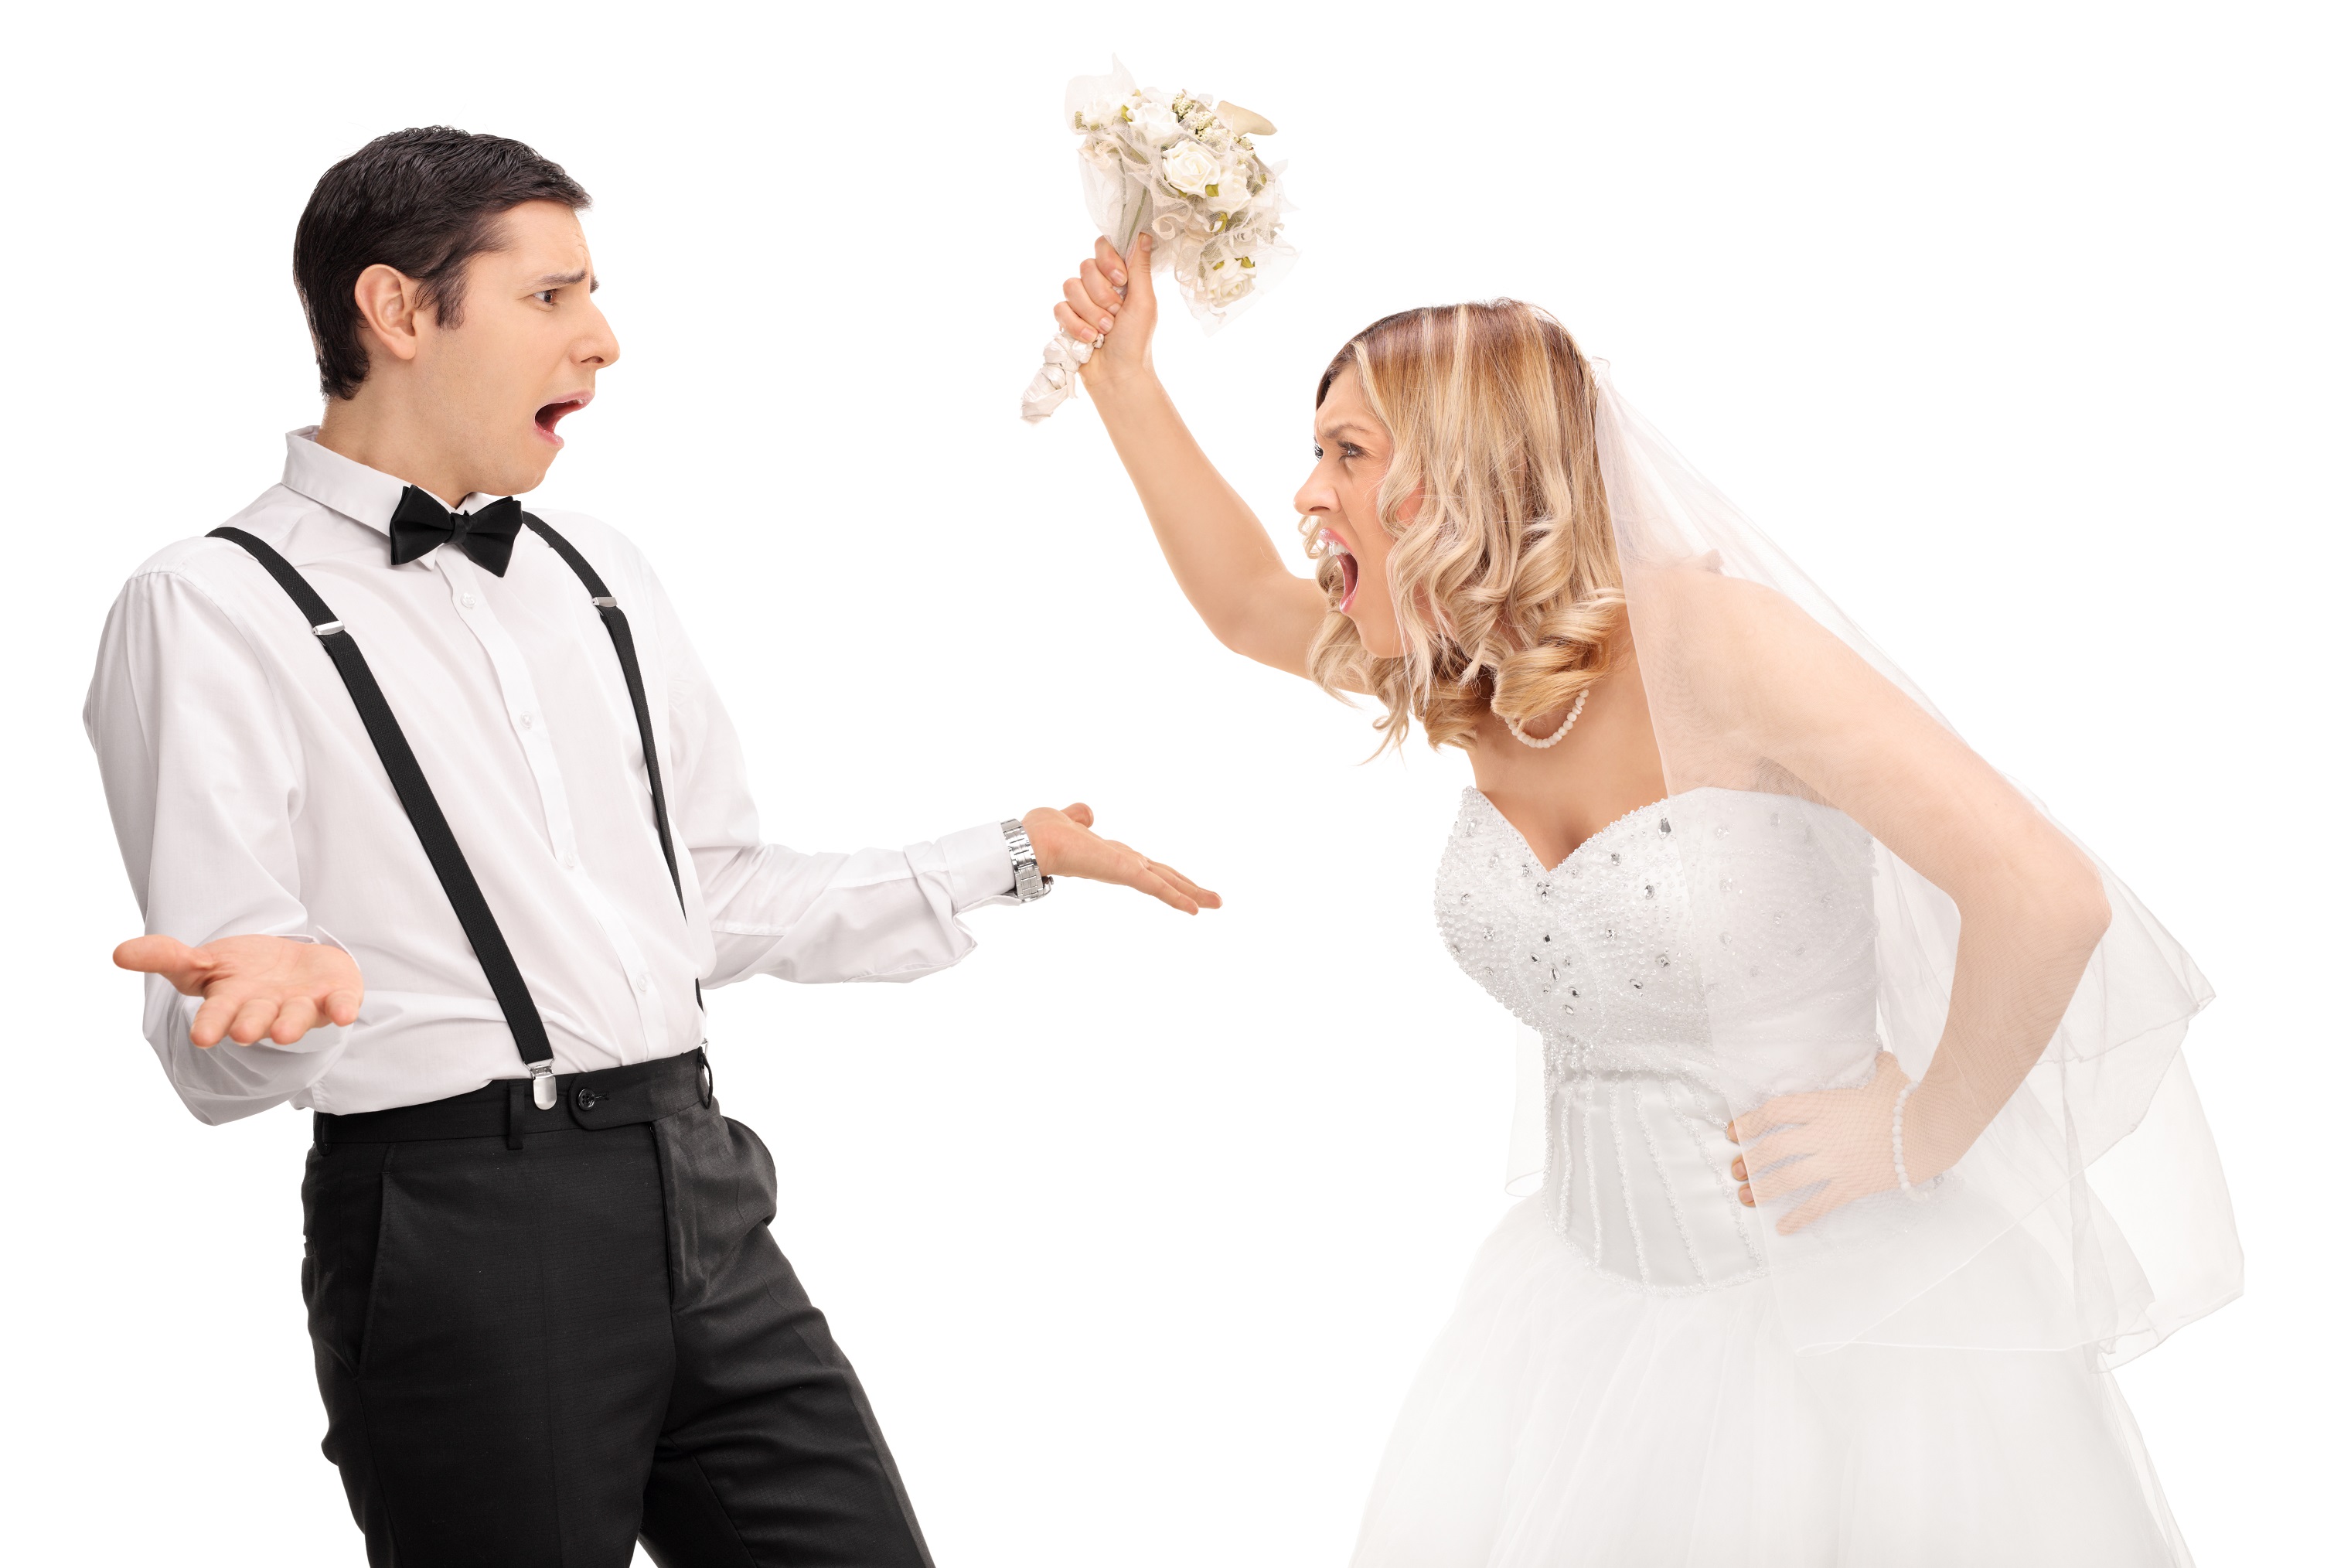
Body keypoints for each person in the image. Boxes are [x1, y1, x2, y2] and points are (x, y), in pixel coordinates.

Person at [83, 127, 1219, 1568]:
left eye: (592, 295)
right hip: (456, 1220)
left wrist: (1002, 856)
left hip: (699, 1179)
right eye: (549, 296)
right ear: (398, 310)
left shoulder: (593, 569)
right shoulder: (207, 604)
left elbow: (711, 900)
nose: (601, 340)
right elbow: (212, 1035)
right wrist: (282, 1010)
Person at [1045, 236, 2240, 1565]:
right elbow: (1241, 604)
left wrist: (1917, 1129)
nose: (1309, 492)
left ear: (1467, 466)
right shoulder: (1473, 670)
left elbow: (2043, 894)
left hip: (1844, 1344)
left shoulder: (1720, 646)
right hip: (1582, 1324)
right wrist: (1121, 377)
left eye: (1348, 453)